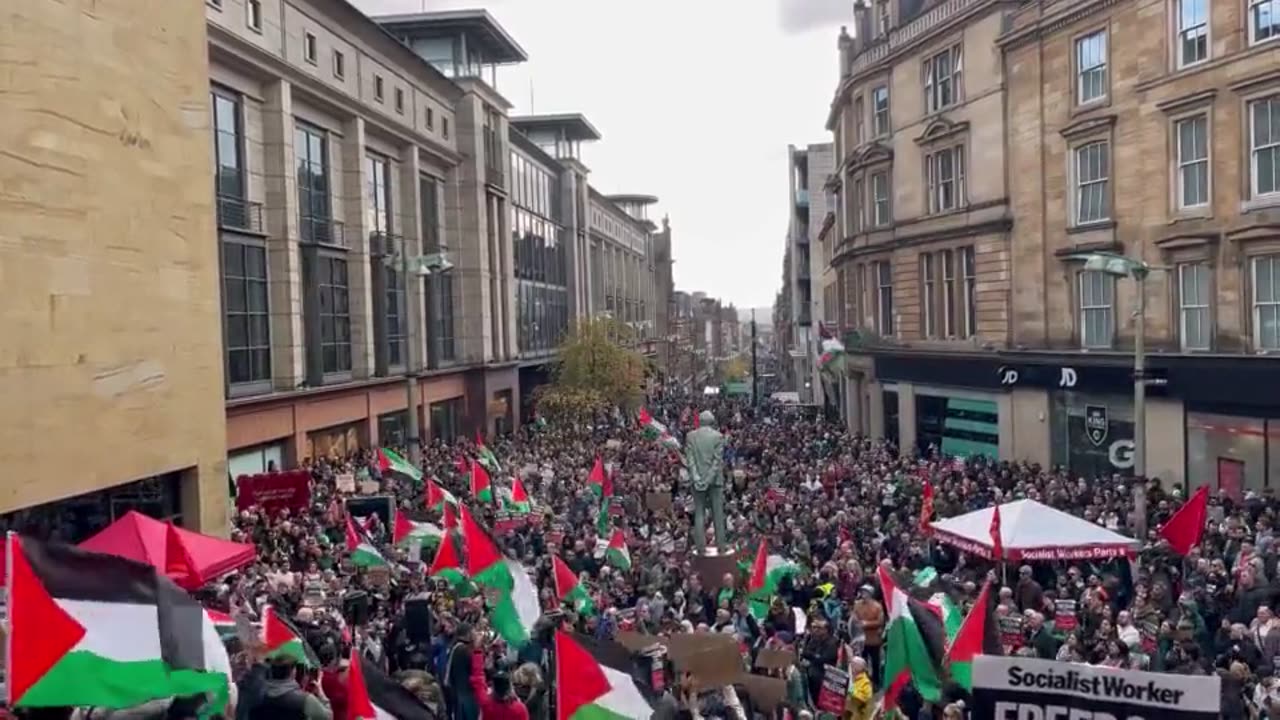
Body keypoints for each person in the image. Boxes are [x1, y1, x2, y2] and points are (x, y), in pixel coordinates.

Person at [469, 632, 528, 720]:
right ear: (510, 686)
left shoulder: (486, 703)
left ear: (493, 687)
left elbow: (478, 680)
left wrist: (477, 651)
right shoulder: (519, 708)